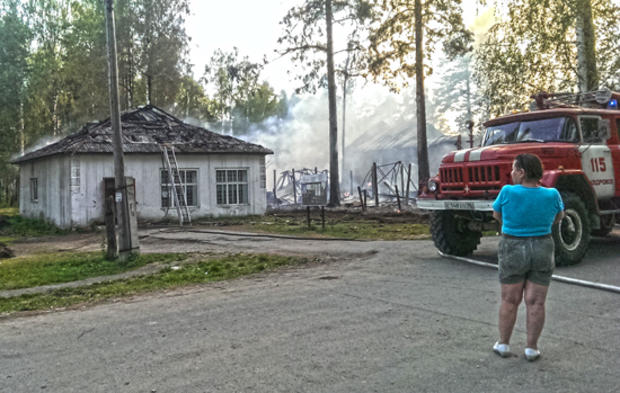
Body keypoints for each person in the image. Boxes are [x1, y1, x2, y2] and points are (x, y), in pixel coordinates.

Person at [491, 153, 565, 361]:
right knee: (536, 302)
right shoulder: (552, 194)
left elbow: (497, 214)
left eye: (514, 169)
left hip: (513, 245)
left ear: (522, 173)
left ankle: (504, 344)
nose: (512, 173)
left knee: (510, 299)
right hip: (542, 246)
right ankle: (531, 348)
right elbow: (559, 217)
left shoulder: (507, 192)